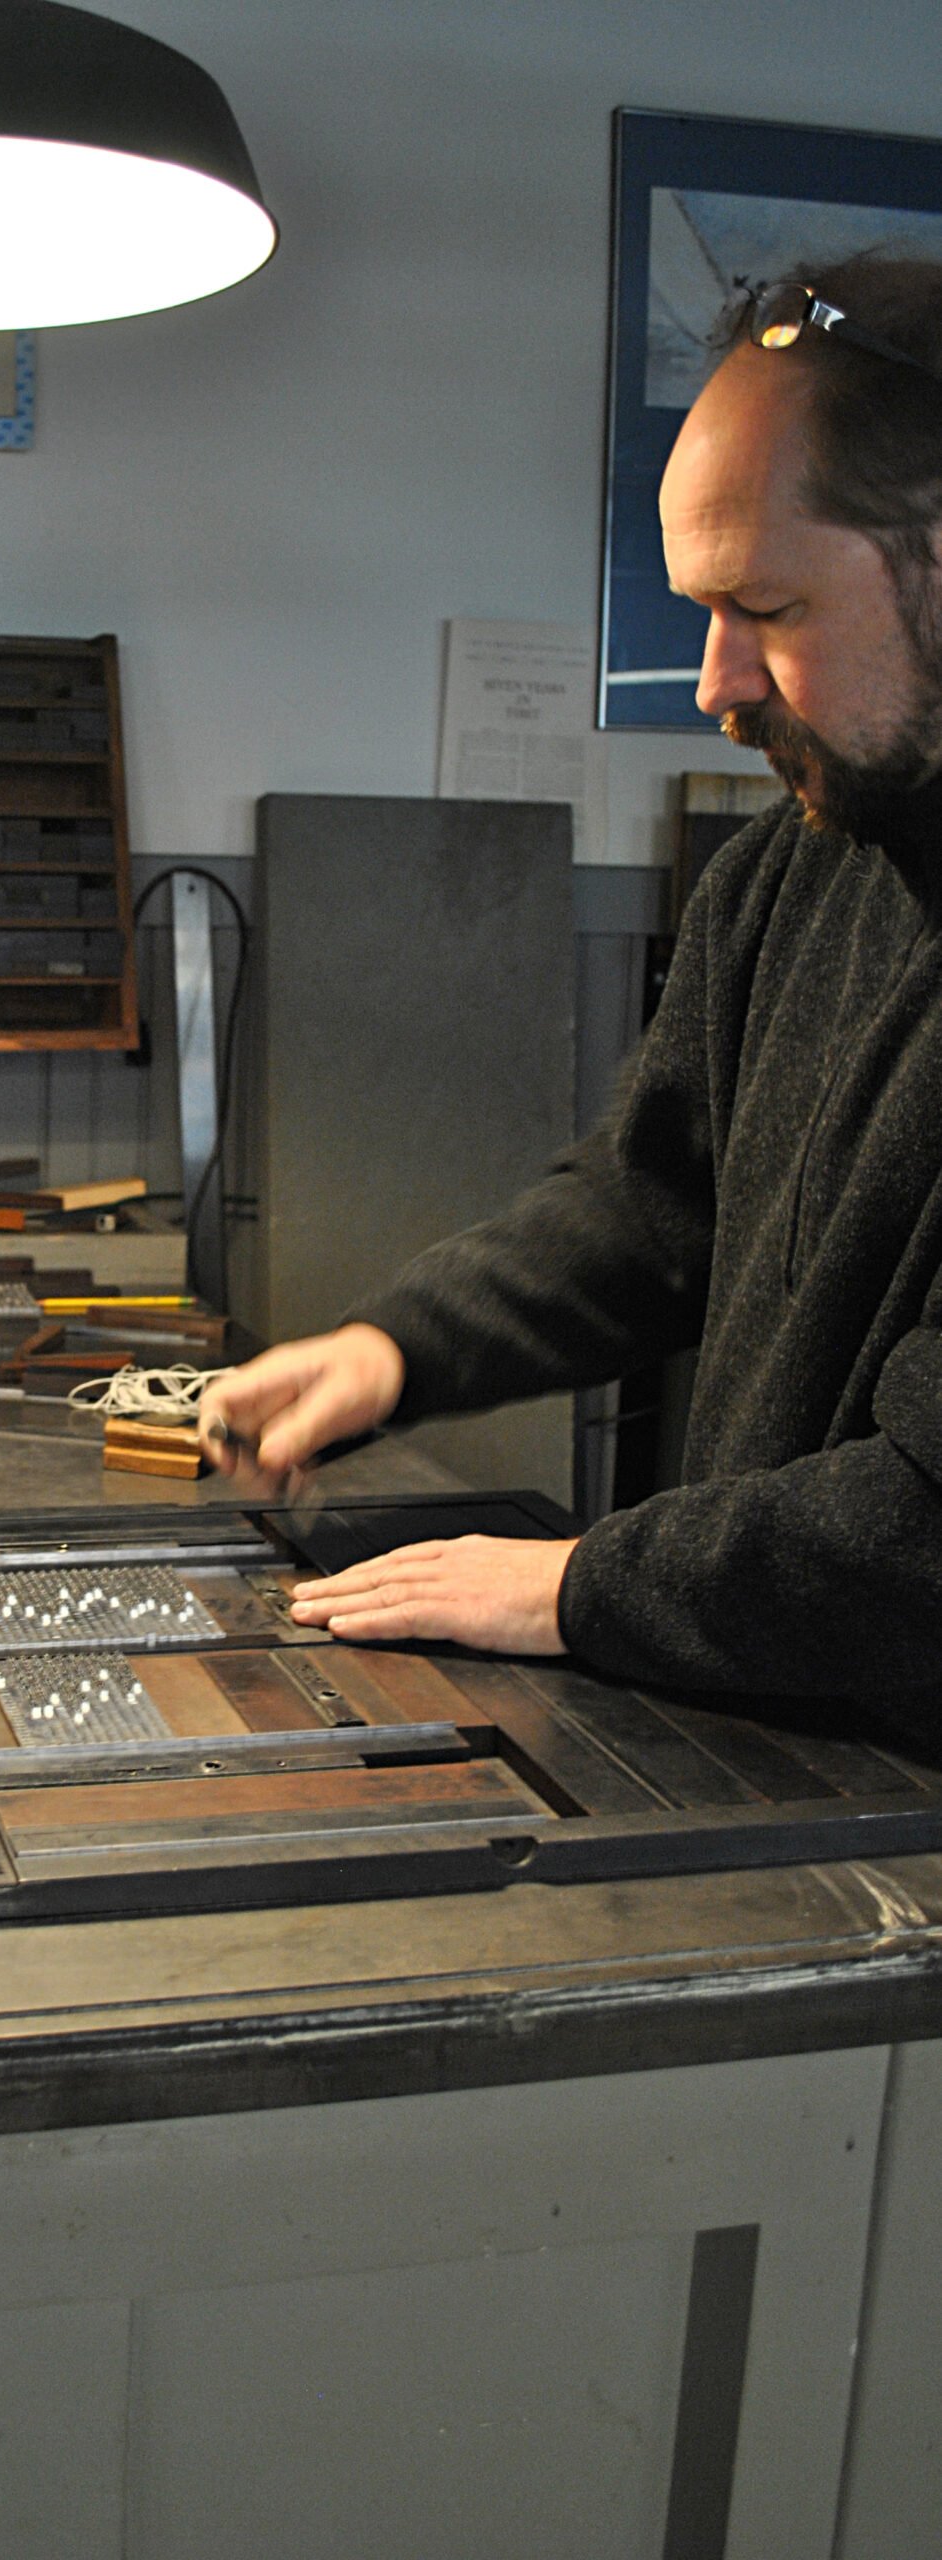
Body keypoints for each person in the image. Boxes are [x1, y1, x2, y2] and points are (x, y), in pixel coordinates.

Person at [201, 256, 942, 1704]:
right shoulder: (791, 874)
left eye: (768, 607)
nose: (716, 684)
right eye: (703, 611)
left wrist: (579, 1585)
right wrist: (393, 1349)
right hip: (786, 1719)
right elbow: (652, 1208)